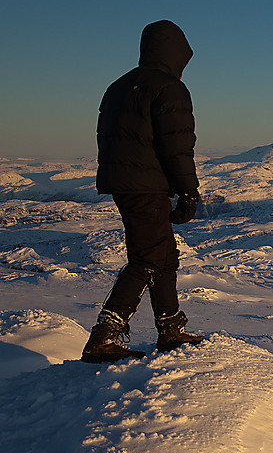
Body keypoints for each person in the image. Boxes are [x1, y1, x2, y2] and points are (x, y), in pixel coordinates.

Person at [81, 20, 205, 363]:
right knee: (148, 258)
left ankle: (170, 329)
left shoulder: (118, 86)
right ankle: (105, 334)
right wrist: (188, 191)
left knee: (164, 256)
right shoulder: (168, 88)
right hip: (147, 186)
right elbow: (178, 147)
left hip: (124, 183)